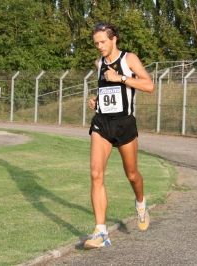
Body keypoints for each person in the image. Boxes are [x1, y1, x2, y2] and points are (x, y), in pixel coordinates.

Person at [84, 22, 154, 249]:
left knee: (132, 175)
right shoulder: (99, 63)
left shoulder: (128, 59)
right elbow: (106, 90)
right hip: (102, 123)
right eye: (96, 43)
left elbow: (149, 86)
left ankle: (141, 204)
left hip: (125, 124)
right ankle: (101, 232)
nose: (100, 46)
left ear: (114, 39)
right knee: (96, 174)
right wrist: (96, 100)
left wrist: (121, 78)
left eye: (103, 41)